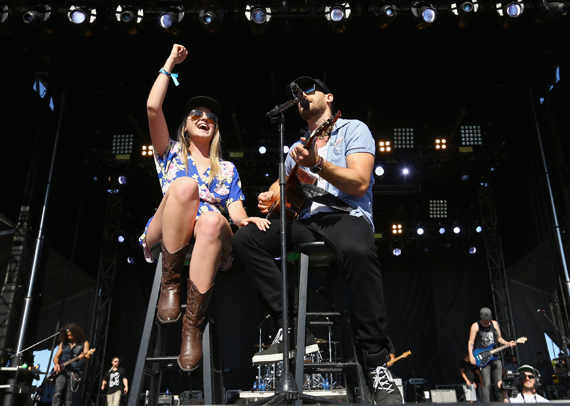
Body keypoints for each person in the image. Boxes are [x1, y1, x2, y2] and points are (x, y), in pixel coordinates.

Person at [231, 76, 402, 403]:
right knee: (245, 239)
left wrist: (319, 164)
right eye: (297, 94)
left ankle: (377, 361)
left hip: (345, 214)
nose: (302, 96)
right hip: (307, 220)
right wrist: (270, 196)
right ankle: (293, 325)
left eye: (309, 89)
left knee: (358, 248)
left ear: (329, 96)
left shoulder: (353, 129)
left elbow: (360, 183)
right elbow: (281, 187)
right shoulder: (295, 149)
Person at [139, 44, 269, 372]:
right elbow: (153, 107)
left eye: (210, 118)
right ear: (184, 126)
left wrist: (245, 218)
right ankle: (171, 283)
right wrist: (170, 61)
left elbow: (236, 212)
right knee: (184, 186)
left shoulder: (227, 170)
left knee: (212, 219)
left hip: (208, 230)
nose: (204, 119)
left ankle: (191, 328)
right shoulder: (168, 152)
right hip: (168, 224)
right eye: (196, 115)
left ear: (215, 130)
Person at [468, 307, 516, 402]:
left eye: (488, 319)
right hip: (482, 357)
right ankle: (487, 403)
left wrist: (508, 343)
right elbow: (471, 342)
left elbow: (499, 339)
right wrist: (471, 355)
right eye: (485, 320)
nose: (486, 321)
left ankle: (502, 401)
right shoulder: (475, 326)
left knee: (499, 381)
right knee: (486, 383)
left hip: (495, 356)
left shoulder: (494, 324)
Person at [51, 323, 91, 406]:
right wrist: (56, 364)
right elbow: (56, 357)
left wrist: (83, 357)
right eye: (68, 335)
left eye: (71, 335)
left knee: (69, 397)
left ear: (76, 334)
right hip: (62, 370)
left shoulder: (84, 343)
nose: (69, 337)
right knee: (57, 393)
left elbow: (87, 357)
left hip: (74, 372)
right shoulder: (63, 344)